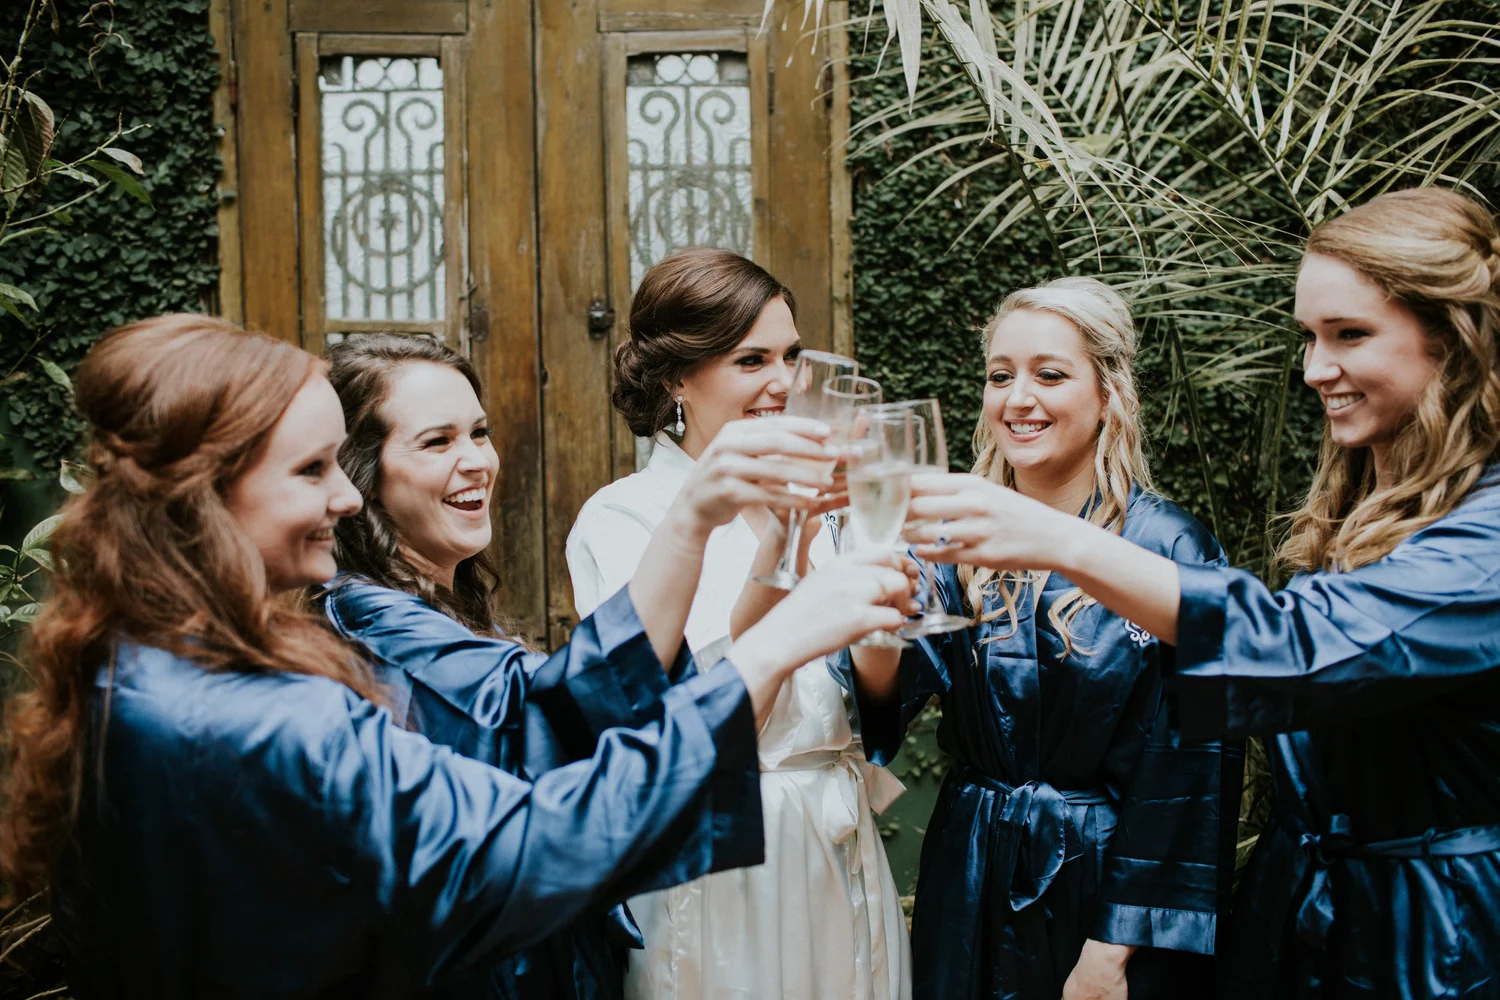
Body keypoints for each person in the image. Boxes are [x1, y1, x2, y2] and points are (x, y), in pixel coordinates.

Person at [0, 314, 915, 999]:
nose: (344, 502)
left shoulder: (141, 657)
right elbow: (518, 838)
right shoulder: (260, 706)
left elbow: (542, 720)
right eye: (312, 471)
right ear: (211, 493)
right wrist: (781, 642)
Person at [902, 187, 1500, 998]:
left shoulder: (1485, 534)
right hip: (1296, 913)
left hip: (1434, 934)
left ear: (1457, 342)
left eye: (1350, 334)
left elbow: (1291, 652)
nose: (1315, 369)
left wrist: (1063, 542)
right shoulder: (1370, 499)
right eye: (1309, 337)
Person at [318, 333, 854, 998]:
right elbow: (562, 729)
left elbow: (601, 709)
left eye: (479, 433)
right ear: (358, 474)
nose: (476, 461)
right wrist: (712, 549)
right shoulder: (375, 628)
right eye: (437, 442)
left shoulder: (438, 605)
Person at [839, 277, 1241, 1000]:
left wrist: (1111, 953)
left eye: (1049, 375)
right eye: (1000, 376)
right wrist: (876, 616)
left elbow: (1189, 772)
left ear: (1109, 392)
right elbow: (885, 701)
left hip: (1105, 887)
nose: (1017, 399)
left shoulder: (1167, 548)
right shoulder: (952, 535)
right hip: (970, 870)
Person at [567, 248, 912, 1000]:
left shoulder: (839, 498)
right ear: (676, 378)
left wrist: (884, 618)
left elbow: (873, 703)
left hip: (840, 835)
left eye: (791, 355)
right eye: (750, 360)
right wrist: (782, 544)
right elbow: (697, 735)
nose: (783, 383)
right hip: (724, 860)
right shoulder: (626, 518)